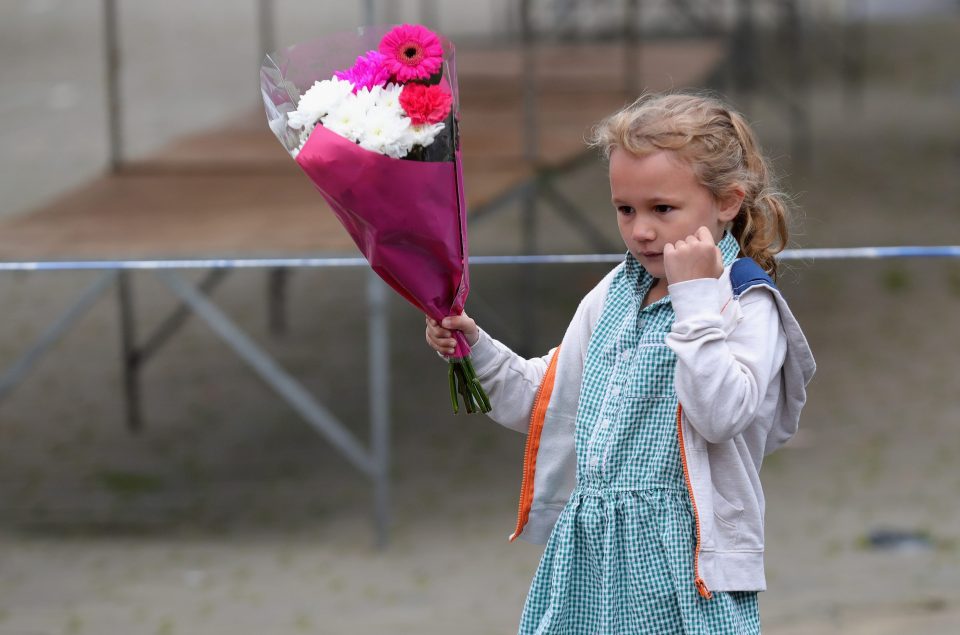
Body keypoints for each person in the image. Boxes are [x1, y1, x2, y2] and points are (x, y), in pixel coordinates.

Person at [425, 92, 816, 634]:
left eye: (662, 209)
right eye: (625, 210)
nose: (640, 231)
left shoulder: (746, 302)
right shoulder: (612, 294)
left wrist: (696, 300)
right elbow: (544, 400)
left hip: (686, 564)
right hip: (591, 556)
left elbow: (722, 415)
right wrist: (476, 347)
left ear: (726, 201)